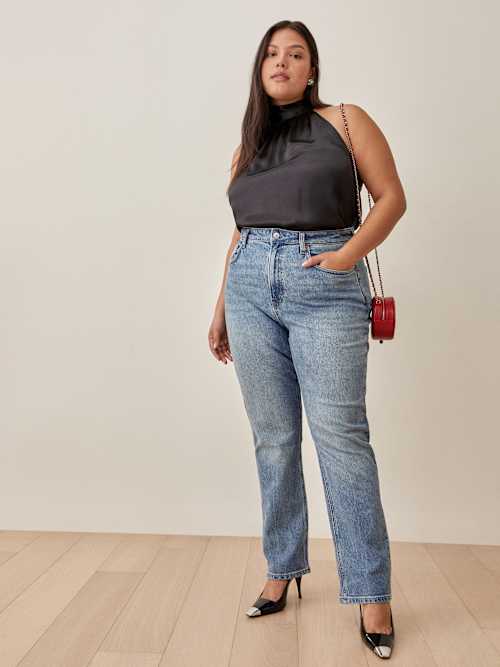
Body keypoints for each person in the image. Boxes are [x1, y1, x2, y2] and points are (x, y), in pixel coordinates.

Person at [208, 19, 406, 660]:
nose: (282, 62)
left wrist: (346, 256)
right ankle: (282, 568)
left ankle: (371, 592)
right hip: (248, 288)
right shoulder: (249, 143)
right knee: (273, 438)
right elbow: (242, 231)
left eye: (296, 54)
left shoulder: (346, 121)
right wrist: (221, 308)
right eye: (272, 53)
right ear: (259, 67)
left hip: (325, 280)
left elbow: (391, 198)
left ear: (312, 68)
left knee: (342, 439)